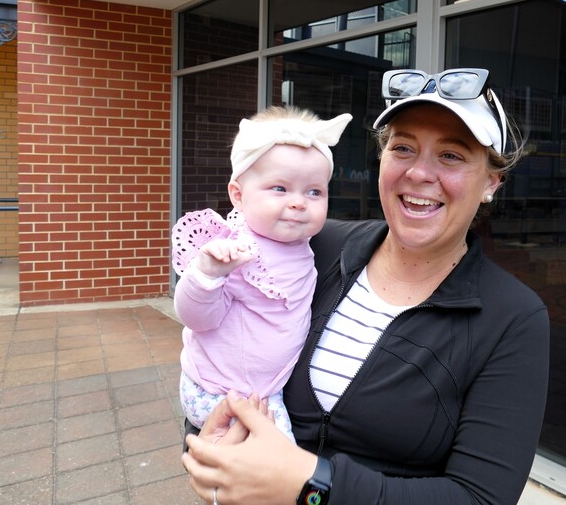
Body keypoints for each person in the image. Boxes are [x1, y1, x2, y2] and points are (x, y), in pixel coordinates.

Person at [181, 68, 550, 505]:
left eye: (451, 155)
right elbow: (220, 350)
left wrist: (309, 486)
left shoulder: (512, 318)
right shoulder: (314, 247)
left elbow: (480, 498)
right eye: (403, 148)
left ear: (491, 182)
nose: (418, 172)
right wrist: (207, 450)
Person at [172, 106, 352, 441]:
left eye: (314, 191)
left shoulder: (302, 241)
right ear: (238, 196)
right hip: (219, 390)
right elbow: (196, 318)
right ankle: (219, 493)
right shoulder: (236, 251)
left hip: (265, 389)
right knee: (277, 458)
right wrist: (208, 273)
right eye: (280, 189)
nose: (300, 203)